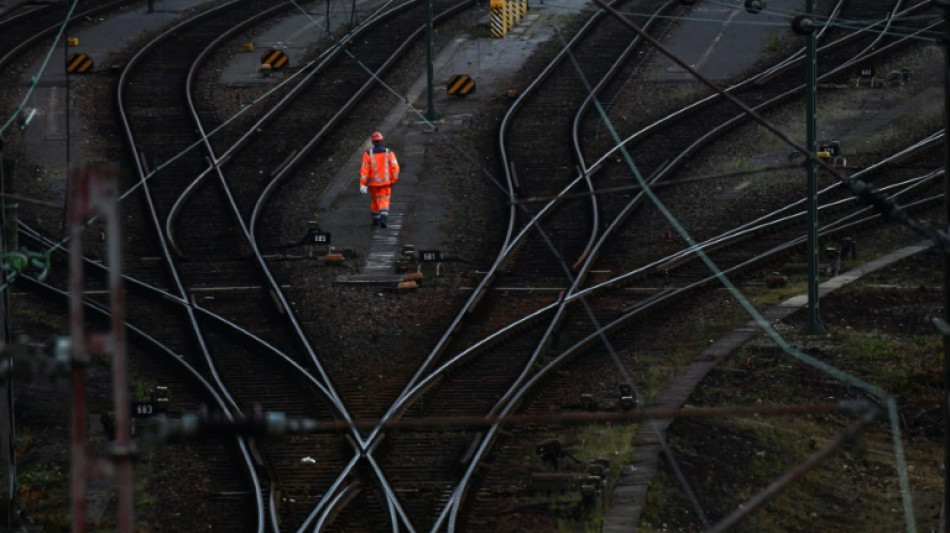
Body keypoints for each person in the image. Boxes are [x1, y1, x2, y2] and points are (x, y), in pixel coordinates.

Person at [359, 131, 400, 228]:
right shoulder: (389, 153)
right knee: (384, 201)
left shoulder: (368, 154)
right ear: (381, 141)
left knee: (374, 201)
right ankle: (383, 218)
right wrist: (393, 179)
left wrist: (362, 184)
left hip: (373, 184)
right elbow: (395, 168)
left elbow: (364, 171)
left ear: (373, 142)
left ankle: (376, 221)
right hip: (386, 183)